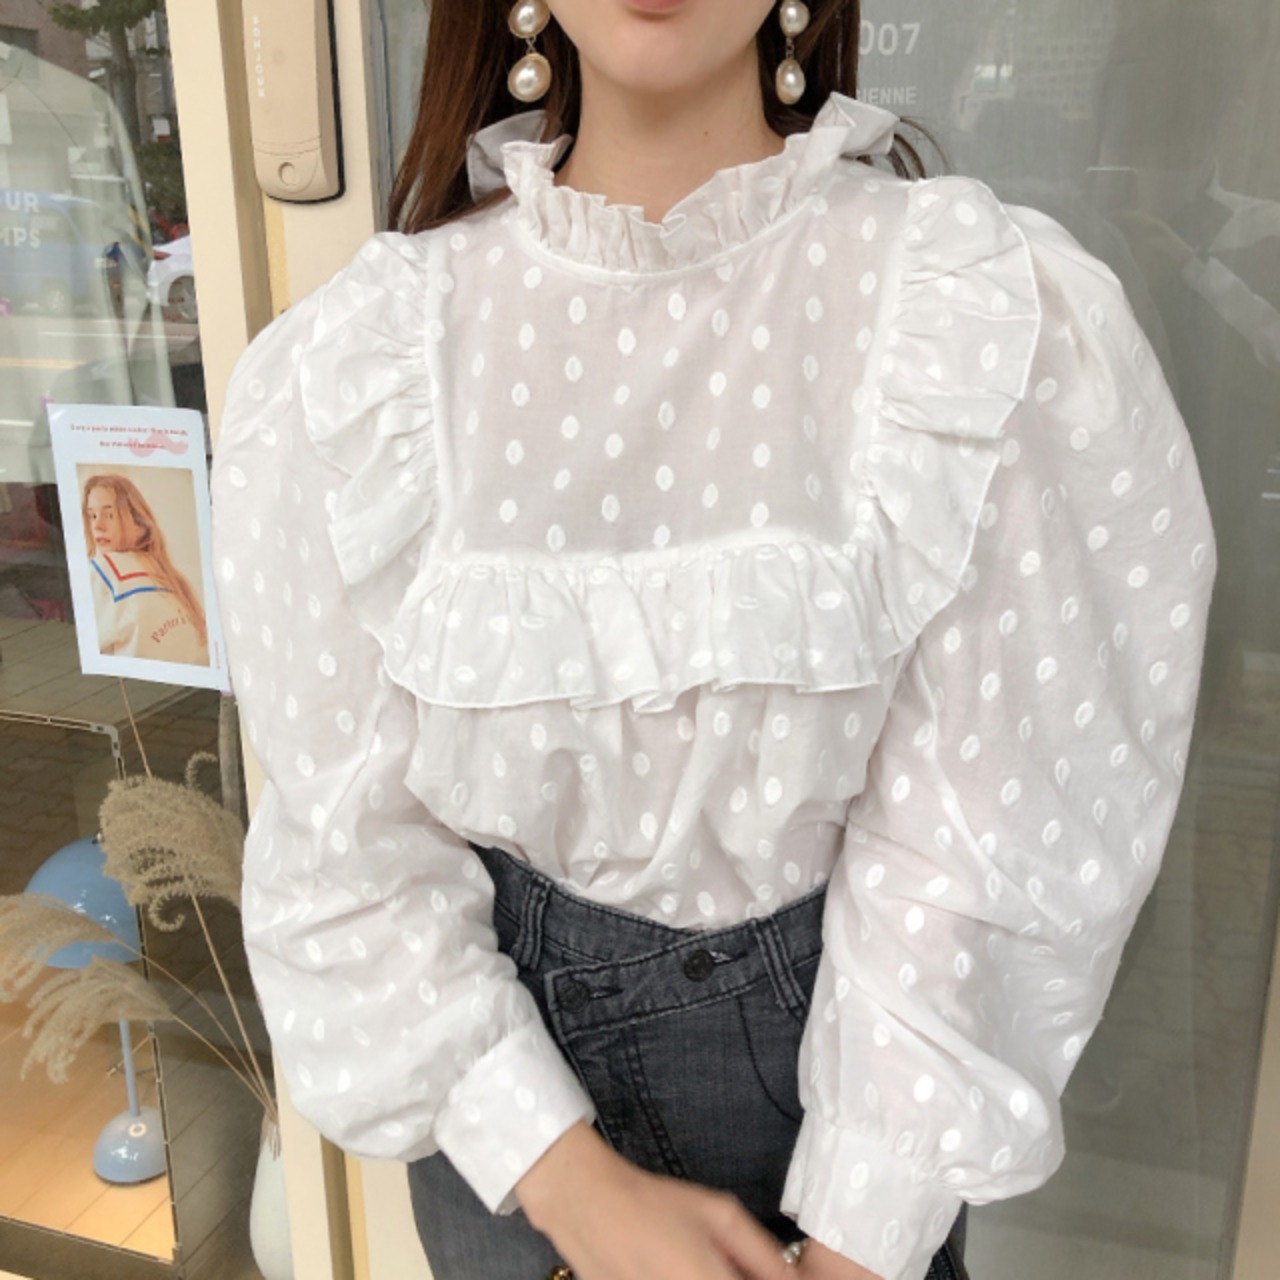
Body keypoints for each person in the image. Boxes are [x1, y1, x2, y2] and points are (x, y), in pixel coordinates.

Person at [210, 3, 1217, 1279]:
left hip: (855, 1162)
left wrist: (859, 1230)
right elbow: (345, 846)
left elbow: (989, 825)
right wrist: (565, 1179)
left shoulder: (961, 309)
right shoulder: (367, 358)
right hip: (509, 1185)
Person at [83, 472, 208, 665]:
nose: (98, 526)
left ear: (139, 524)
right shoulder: (174, 580)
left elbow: (86, 648)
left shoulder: (103, 570)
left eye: (109, 515)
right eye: (92, 515)